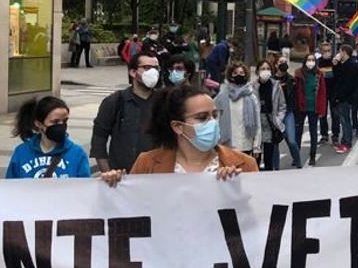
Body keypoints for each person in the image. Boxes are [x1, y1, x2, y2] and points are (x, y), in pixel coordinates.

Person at [102, 85, 256, 182]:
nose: (212, 123)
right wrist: (114, 187)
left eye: (215, 115)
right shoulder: (147, 163)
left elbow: (260, 218)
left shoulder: (244, 164)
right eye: (202, 118)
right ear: (177, 126)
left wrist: (238, 189)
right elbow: (130, 211)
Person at [91, 53, 159, 172]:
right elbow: (99, 140)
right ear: (133, 72)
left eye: (156, 68)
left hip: (157, 177)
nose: (153, 72)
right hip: (122, 179)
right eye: (147, 68)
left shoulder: (164, 102)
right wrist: (108, 174)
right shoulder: (115, 101)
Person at [6, 96, 91, 179]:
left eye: (64, 121)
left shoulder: (77, 153)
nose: (61, 125)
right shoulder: (21, 152)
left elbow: (84, 188)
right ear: (39, 124)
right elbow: (11, 187)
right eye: (55, 121)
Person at [215, 61, 262, 161]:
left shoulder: (251, 97)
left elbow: (257, 123)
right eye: (235, 73)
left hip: (246, 145)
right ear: (230, 76)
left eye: (241, 73)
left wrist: (256, 147)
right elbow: (215, 120)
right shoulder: (222, 96)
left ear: (246, 76)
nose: (238, 75)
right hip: (227, 145)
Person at [295, 53, 327, 166]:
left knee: (313, 132)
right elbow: (296, 90)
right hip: (301, 106)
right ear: (305, 61)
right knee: (298, 132)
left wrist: (322, 109)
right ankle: (296, 156)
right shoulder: (298, 73)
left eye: (313, 60)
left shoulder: (319, 74)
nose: (311, 62)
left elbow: (322, 92)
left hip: (314, 107)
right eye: (308, 60)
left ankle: (312, 155)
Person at [255, 61, 286, 171]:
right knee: (255, 157)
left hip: (270, 123)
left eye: (267, 68)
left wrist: (278, 119)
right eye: (262, 69)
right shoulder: (252, 87)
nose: (265, 71)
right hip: (257, 125)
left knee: (269, 157)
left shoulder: (276, 86)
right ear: (257, 71)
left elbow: (282, 105)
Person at [330, 45, 358, 153]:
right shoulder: (347, 64)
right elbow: (338, 76)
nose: (339, 54)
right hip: (345, 97)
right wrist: (335, 64)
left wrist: (339, 97)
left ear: (344, 52)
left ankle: (347, 143)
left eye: (340, 52)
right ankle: (344, 141)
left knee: (345, 120)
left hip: (345, 98)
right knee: (344, 119)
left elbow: (346, 84)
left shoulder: (350, 65)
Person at [276, 60, 303, 169]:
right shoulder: (271, 80)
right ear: (276, 64)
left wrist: (297, 116)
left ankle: (298, 162)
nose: (283, 64)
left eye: (284, 62)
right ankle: (275, 167)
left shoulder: (291, 80)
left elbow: (295, 99)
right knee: (275, 143)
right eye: (280, 62)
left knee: (291, 140)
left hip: (288, 112)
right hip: (274, 114)